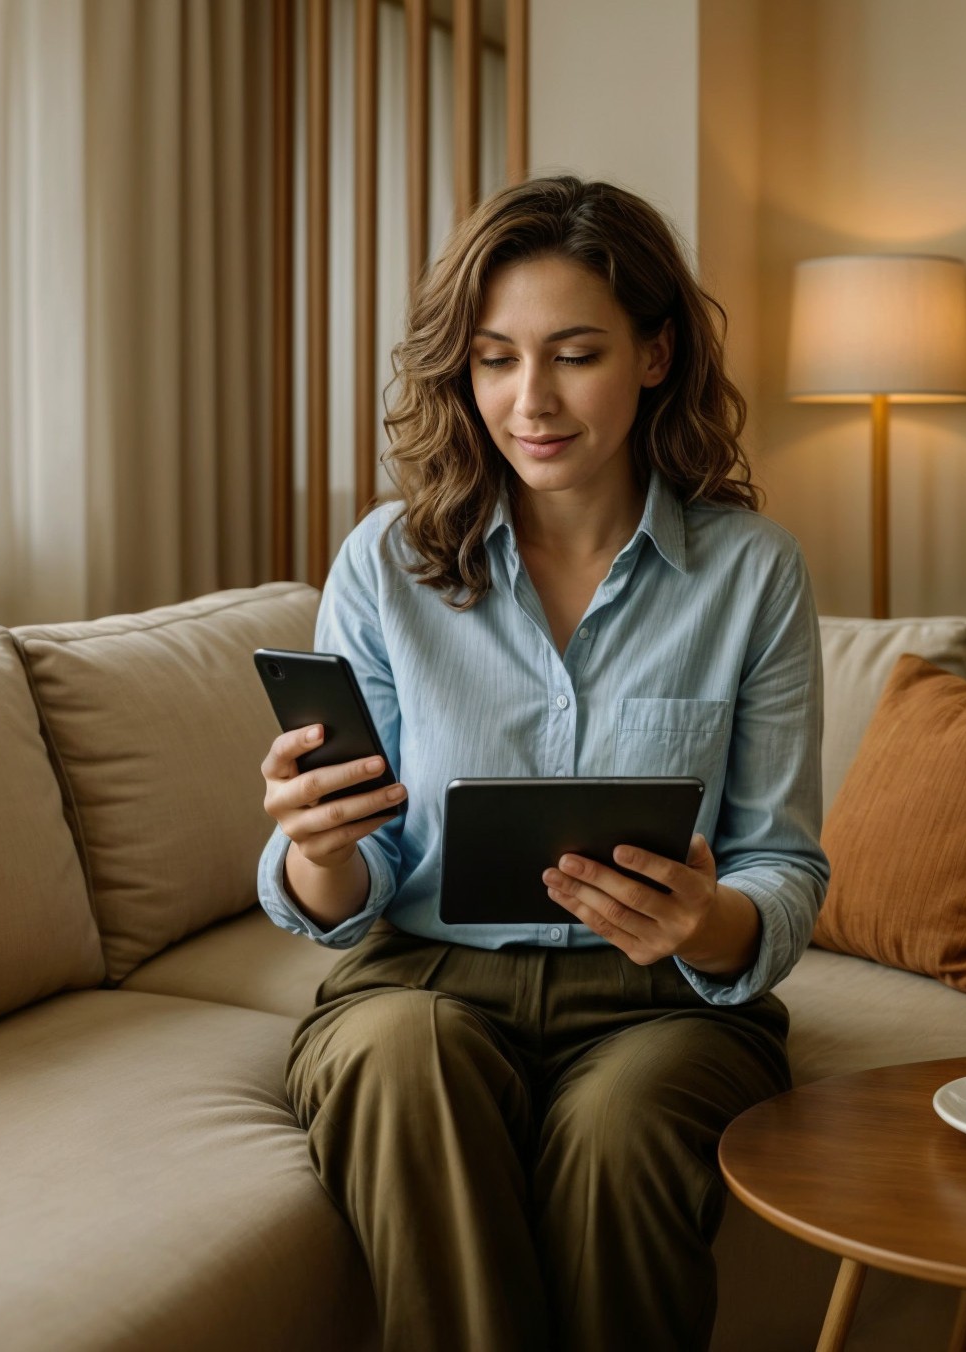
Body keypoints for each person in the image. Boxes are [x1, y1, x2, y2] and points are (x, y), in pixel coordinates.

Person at [256, 174, 828, 1352]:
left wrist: (707, 919)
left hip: (662, 1006)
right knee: (399, 1064)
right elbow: (348, 875)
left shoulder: (752, 571)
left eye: (574, 353)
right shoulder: (384, 563)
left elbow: (779, 859)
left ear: (655, 354)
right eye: (493, 359)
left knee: (624, 1124)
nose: (531, 400)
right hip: (417, 985)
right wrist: (315, 847)